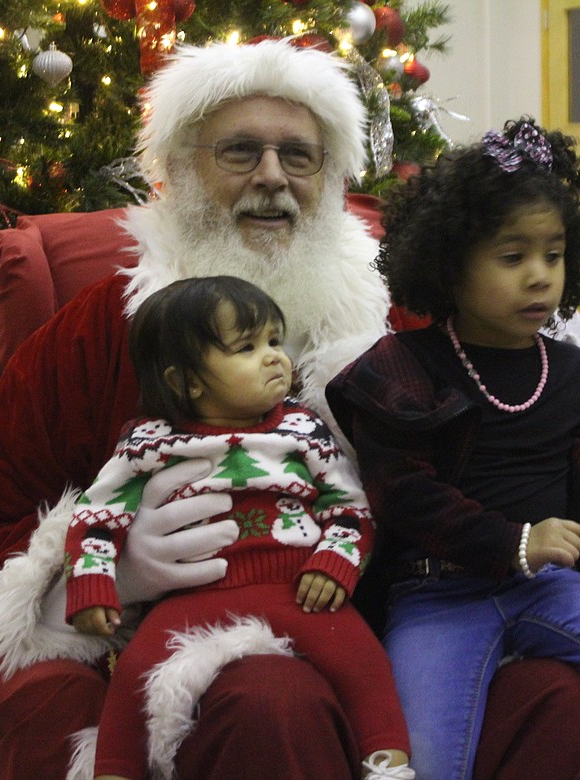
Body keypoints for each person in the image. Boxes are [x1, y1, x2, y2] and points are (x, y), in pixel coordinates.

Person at [0, 39, 580, 779]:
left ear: (333, 179)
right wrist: (113, 575)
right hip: (198, 641)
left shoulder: (410, 315)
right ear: (182, 170)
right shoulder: (98, 332)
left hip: (420, 616)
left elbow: (520, 448)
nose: (272, 180)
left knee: (567, 697)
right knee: (270, 697)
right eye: (241, 152)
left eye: (300, 157)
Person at [327, 118, 580, 780]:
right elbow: (403, 495)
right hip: (437, 595)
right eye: (512, 258)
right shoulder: (398, 369)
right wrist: (515, 540)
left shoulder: (571, 372)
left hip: (556, 588)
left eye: (553, 255)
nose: (539, 277)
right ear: (449, 266)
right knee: (422, 755)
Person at [63, 276, 413, 780]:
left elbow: (350, 506)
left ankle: (389, 765)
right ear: (187, 382)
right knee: (136, 676)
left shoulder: (301, 428)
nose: (274, 356)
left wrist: (335, 563)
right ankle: (114, 770)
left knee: (364, 665)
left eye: (274, 341)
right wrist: (95, 582)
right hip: (191, 596)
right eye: (247, 348)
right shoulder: (149, 442)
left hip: (297, 590)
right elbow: (97, 516)